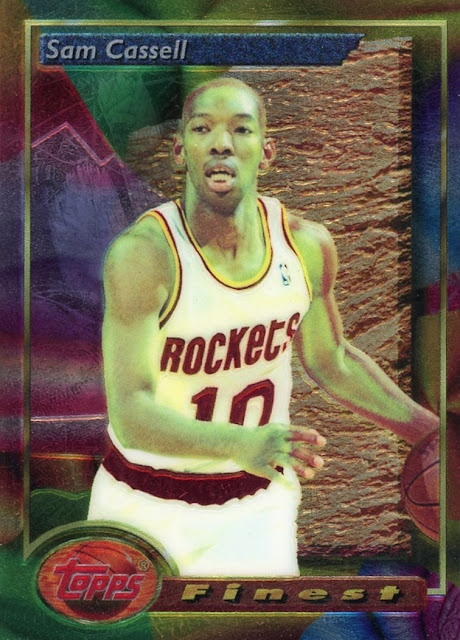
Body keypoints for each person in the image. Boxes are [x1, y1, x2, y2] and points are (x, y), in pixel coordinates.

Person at [88, 77, 438, 577]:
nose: (221, 143)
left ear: (266, 152)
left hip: (256, 508)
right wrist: (241, 443)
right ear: (180, 152)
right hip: (141, 499)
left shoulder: (306, 245)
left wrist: (434, 435)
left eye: (241, 129)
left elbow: (332, 360)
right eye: (202, 129)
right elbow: (131, 413)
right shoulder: (144, 255)